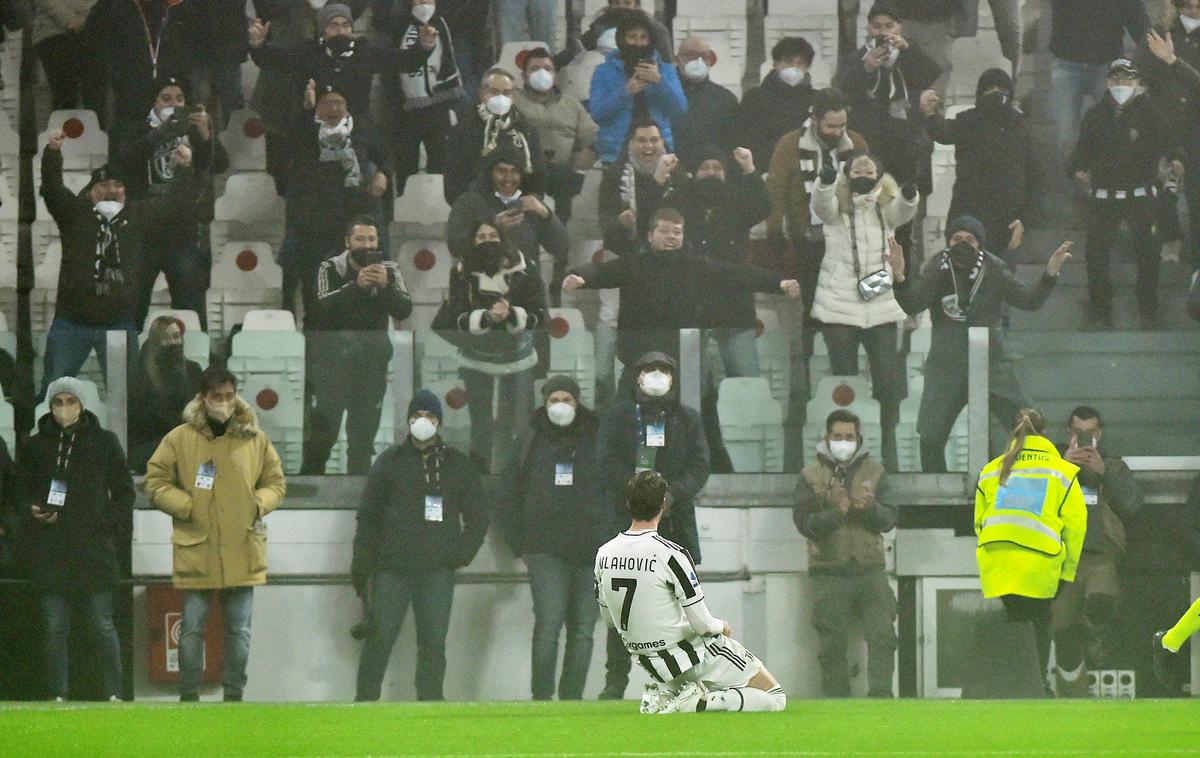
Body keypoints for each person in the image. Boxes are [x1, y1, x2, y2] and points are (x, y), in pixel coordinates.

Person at [144, 366, 287, 702]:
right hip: (198, 547)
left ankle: (234, 695)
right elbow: (155, 481)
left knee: (240, 631)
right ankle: (189, 695)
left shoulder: (255, 438)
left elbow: (276, 482)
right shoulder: (179, 439)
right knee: (191, 630)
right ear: (203, 398)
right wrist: (185, 505)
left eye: (228, 396)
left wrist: (257, 504)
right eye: (216, 396)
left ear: (235, 396)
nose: (223, 403)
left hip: (241, 547)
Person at [891, 216, 1074, 473]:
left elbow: (1030, 301)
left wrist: (1050, 273)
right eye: (956, 239)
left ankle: (1032, 482)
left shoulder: (994, 267)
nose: (962, 244)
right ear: (948, 241)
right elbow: (912, 304)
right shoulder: (937, 266)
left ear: (980, 244)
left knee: (1029, 429)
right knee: (930, 438)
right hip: (947, 367)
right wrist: (899, 278)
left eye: (970, 239)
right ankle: (940, 502)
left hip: (991, 364)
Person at [596, 469, 787, 713]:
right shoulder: (671, 555)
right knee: (775, 697)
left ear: (627, 503)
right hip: (692, 655)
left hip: (652, 661)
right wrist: (722, 626)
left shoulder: (604, 554)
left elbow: (610, 621)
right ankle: (701, 701)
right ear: (663, 504)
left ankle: (669, 695)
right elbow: (703, 626)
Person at [563, 207, 800, 397]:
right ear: (650, 235)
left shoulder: (695, 265)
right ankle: (644, 458)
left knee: (692, 422)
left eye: (677, 232)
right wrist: (580, 277)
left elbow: (736, 274)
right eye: (665, 231)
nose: (671, 237)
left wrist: (777, 283)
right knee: (638, 425)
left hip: (685, 363)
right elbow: (603, 272)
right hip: (639, 360)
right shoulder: (633, 264)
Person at [38, 128, 195, 398]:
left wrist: (184, 169)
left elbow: (175, 205)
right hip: (72, 320)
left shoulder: (138, 217)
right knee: (54, 390)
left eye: (118, 186)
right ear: (91, 192)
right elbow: (52, 189)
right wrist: (52, 154)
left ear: (126, 191)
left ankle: (122, 442)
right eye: (104, 186)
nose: (112, 191)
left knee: (126, 398)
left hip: (118, 321)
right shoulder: (75, 214)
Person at [351, 390, 487, 701]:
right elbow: (368, 518)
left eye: (428, 417)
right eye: (416, 417)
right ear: (408, 421)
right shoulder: (389, 462)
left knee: (433, 642)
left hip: (438, 569)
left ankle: (431, 704)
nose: (421, 422)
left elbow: (479, 517)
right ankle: (365, 701)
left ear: (438, 421)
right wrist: (361, 565)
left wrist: (462, 554)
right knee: (379, 637)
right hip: (391, 567)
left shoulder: (457, 464)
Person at [592, 351, 709, 700]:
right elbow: (604, 461)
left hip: (675, 522)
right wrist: (635, 492)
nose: (656, 375)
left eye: (663, 370)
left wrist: (670, 496)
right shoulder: (617, 417)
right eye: (648, 369)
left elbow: (700, 465)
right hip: (627, 521)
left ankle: (684, 679)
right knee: (621, 605)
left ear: (673, 378)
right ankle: (615, 681)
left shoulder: (687, 418)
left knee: (681, 605)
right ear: (636, 376)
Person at [18, 377, 134, 702]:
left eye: (71, 401)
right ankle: (58, 693)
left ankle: (114, 692)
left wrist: (106, 524)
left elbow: (125, 492)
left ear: (83, 405)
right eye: (58, 401)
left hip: (94, 550)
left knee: (102, 626)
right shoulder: (34, 446)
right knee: (54, 629)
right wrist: (31, 510)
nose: (65, 408)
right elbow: (19, 492)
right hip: (51, 550)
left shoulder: (105, 442)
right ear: (50, 405)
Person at [500, 376, 609, 701]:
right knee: (548, 625)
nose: (560, 406)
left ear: (578, 403)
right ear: (544, 403)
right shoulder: (529, 440)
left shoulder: (598, 437)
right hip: (543, 548)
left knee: (583, 631)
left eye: (567, 400)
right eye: (553, 400)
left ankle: (572, 699)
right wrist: (519, 541)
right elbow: (507, 493)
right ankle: (542, 698)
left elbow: (615, 487)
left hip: (591, 548)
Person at [810, 151, 915, 471]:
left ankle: (888, 445)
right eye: (857, 168)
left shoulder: (886, 206)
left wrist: (910, 194)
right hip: (839, 309)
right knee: (845, 384)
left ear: (880, 173)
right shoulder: (837, 206)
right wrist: (825, 182)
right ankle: (843, 451)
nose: (863, 170)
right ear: (847, 174)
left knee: (887, 381)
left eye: (870, 167)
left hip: (880, 307)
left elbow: (903, 211)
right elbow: (821, 205)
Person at [669, 146, 771, 472]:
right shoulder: (681, 203)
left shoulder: (737, 202)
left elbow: (764, 205)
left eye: (717, 167)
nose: (711, 173)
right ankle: (694, 459)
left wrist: (751, 170)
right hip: (691, 311)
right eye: (705, 167)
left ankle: (754, 458)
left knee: (748, 382)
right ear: (693, 173)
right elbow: (654, 215)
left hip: (734, 308)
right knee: (690, 392)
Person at [974, 408, 1087, 685]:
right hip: (1041, 561)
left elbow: (979, 522)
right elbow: (1076, 526)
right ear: (1045, 433)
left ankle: (1007, 684)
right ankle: (1036, 685)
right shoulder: (1063, 471)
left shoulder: (991, 470)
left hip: (998, 560)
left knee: (1011, 622)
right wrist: (1067, 572)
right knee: (1038, 622)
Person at [1069, 58, 1183, 329]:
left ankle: (1148, 306)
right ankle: (1099, 307)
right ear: (1108, 83)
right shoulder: (1095, 115)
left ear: (1138, 84)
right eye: (1116, 80)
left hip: (1141, 195)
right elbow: (1080, 153)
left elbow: (1172, 142)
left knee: (1148, 252)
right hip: (1104, 196)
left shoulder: (1151, 113)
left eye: (1127, 80)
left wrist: (1177, 158)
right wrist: (1076, 170)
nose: (1121, 85)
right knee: (1095, 253)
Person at [110, 75, 230, 329]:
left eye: (179, 99)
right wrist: (163, 131)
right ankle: (131, 364)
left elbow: (219, 164)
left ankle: (195, 364)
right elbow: (123, 163)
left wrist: (205, 136)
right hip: (142, 233)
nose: (172, 104)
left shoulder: (194, 129)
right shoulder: (134, 129)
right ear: (153, 102)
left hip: (181, 233)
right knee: (133, 309)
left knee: (190, 309)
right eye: (165, 98)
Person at [793, 409, 897, 698]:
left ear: (859, 439)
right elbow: (805, 524)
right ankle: (837, 703)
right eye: (837, 436)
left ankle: (881, 699)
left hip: (871, 570)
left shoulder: (876, 473)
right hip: (829, 572)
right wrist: (835, 514)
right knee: (831, 646)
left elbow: (889, 519)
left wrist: (871, 508)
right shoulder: (810, 476)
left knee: (883, 638)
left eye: (848, 437)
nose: (843, 441)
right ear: (827, 438)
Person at [432, 217, 548, 472]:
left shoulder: (525, 268)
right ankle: (479, 479)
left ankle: (516, 478)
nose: (487, 242)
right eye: (481, 237)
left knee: (519, 426)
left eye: (492, 237)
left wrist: (513, 315)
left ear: (503, 239)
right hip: (477, 360)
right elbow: (456, 317)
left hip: (519, 361)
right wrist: (486, 318)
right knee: (480, 426)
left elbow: (540, 314)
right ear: (472, 242)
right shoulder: (461, 274)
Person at [303, 216, 413, 475]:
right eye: (360, 239)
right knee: (323, 437)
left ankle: (357, 497)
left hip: (371, 365)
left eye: (372, 239)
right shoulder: (330, 268)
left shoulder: (390, 269)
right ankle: (312, 491)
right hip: (332, 364)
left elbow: (404, 310)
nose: (366, 245)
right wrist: (356, 287)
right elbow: (320, 309)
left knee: (362, 440)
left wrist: (384, 287)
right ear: (347, 242)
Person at [837, 3, 940, 262]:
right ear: (868, 28)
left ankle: (903, 277)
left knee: (903, 220)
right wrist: (866, 69)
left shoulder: (908, 56)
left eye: (889, 26)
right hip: (871, 148)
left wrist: (909, 49)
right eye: (877, 26)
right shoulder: (857, 58)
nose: (883, 32)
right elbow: (843, 90)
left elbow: (931, 75)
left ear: (899, 28)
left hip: (907, 147)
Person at [282, 79, 390, 324]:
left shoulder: (362, 129)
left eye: (339, 102)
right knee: (317, 296)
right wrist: (306, 112)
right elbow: (291, 147)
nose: (333, 108)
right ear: (317, 106)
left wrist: (383, 173)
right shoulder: (307, 131)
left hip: (354, 221)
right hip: (314, 227)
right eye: (327, 103)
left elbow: (386, 155)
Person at [1051, 406, 1141, 696]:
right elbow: (1036, 500)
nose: (1085, 439)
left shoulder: (1113, 467)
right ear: (1069, 434)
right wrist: (1063, 467)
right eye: (1079, 434)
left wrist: (1104, 475)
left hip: (1101, 554)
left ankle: (1092, 637)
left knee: (1101, 603)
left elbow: (1131, 507)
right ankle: (1073, 695)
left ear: (1099, 434)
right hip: (1063, 556)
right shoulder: (1054, 464)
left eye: (1090, 433)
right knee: (1062, 630)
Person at [766, 87, 868, 341]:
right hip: (808, 239)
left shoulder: (857, 142)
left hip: (848, 238)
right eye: (831, 126)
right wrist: (775, 230)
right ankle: (812, 361)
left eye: (842, 125)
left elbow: (869, 187)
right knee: (814, 306)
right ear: (814, 119)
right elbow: (776, 190)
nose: (837, 132)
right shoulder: (789, 145)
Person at [919, 69, 1035, 267]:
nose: (996, 94)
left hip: (1007, 217)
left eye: (1001, 89)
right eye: (990, 89)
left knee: (1000, 278)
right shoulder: (967, 120)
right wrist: (929, 113)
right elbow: (943, 133)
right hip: (968, 212)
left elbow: (1034, 176)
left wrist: (1024, 219)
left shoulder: (1021, 127)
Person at [248, 3, 431, 122]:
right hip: (314, 133)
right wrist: (257, 44)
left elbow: (406, 62)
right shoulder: (308, 53)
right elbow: (273, 61)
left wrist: (424, 45)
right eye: (333, 25)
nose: (340, 31)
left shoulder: (364, 52)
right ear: (323, 30)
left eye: (345, 25)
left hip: (358, 132)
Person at [445, 142, 570, 301]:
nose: (508, 178)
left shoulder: (531, 203)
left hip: (525, 293)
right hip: (480, 294)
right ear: (490, 172)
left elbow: (562, 247)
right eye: (501, 171)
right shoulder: (469, 202)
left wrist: (546, 215)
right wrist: (492, 226)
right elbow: (454, 245)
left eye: (515, 171)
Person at [375, 0, 461, 195]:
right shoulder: (399, 26)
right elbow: (393, 64)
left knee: (440, 160)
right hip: (408, 109)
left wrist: (447, 93)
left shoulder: (443, 23)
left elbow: (449, 58)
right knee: (406, 161)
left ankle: (445, 204)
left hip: (438, 104)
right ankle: (405, 203)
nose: (423, 2)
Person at [1049, 0, 1151, 158]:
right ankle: (1075, 176)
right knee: (1065, 135)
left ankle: (1107, 176)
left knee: (1118, 131)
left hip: (1107, 64)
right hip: (1066, 63)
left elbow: (1138, 21)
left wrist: (1151, 56)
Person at [588, 12, 687, 165]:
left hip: (657, 153)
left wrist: (659, 82)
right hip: (616, 154)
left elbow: (679, 110)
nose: (638, 43)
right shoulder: (604, 71)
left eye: (644, 37)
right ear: (622, 39)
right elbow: (598, 114)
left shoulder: (666, 70)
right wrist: (625, 93)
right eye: (632, 37)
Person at [513, 47, 599, 222]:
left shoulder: (571, 105)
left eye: (547, 69)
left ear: (555, 76)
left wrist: (589, 151)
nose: (542, 73)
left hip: (564, 173)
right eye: (535, 69)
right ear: (524, 76)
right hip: (526, 172)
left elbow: (591, 137)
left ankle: (562, 239)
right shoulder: (514, 101)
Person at [443, 67, 547, 204]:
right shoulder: (461, 132)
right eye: (494, 92)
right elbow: (453, 186)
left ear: (513, 97)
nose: (501, 97)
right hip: (475, 212)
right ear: (481, 94)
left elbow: (538, 180)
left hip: (519, 210)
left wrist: (520, 207)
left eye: (507, 93)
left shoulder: (527, 131)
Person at [1146, 21, 1200, 270]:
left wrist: (1173, 61)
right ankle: (1172, 239)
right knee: (1163, 189)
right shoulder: (1165, 29)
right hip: (1171, 125)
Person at [90, 0, 192, 124]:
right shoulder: (115, 7)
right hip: (129, 77)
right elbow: (103, 41)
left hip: (162, 74)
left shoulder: (171, 9)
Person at [127, 315, 204, 473]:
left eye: (176, 337)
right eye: (166, 338)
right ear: (155, 342)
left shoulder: (193, 370)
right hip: (148, 443)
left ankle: (207, 491)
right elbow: (139, 421)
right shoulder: (140, 374)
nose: (173, 343)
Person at [598, 118, 679, 257]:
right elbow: (605, 222)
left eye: (654, 140)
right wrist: (620, 223)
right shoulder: (614, 174)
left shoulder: (676, 172)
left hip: (669, 250)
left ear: (662, 142)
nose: (648, 146)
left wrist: (660, 176)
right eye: (642, 140)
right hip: (625, 250)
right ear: (631, 143)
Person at [735, 36, 817, 169]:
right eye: (789, 61)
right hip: (765, 171)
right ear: (776, 64)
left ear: (807, 67)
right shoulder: (754, 99)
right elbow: (744, 140)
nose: (794, 67)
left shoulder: (816, 100)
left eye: (801, 63)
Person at [670, 36, 737, 168]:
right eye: (691, 56)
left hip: (712, 175)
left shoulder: (725, 99)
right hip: (673, 172)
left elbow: (732, 144)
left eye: (704, 56)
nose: (698, 61)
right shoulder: (665, 95)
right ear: (677, 60)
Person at [32, 0, 106, 118]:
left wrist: (86, 18)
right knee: (65, 97)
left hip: (93, 28)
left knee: (96, 97)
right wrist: (71, 19)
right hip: (53, 32)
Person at [577, 1, 672, 63]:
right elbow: (584, 46)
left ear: (636, 5)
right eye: (616, 3)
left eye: (627, 3)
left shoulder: (653, 27)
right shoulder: (601, 23)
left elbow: (666, 62)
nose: (621, 8)